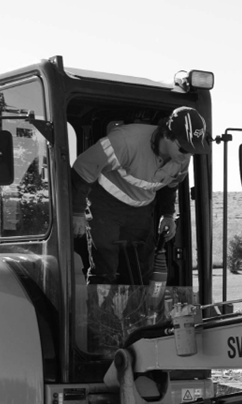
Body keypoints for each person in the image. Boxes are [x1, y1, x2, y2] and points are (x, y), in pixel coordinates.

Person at [71, 107, 209, 284]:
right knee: (105, 266)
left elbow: (170, 186)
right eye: (184, 148)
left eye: (193, 150)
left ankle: (138, 310)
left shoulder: (182, 159)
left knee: (141, 268)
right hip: (105, 205)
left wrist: (168, 215)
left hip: (142, 209)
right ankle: (102, 310)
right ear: (167, 135)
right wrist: (77, 212)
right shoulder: (125, 142)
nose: (188, 155)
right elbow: (82, 169)